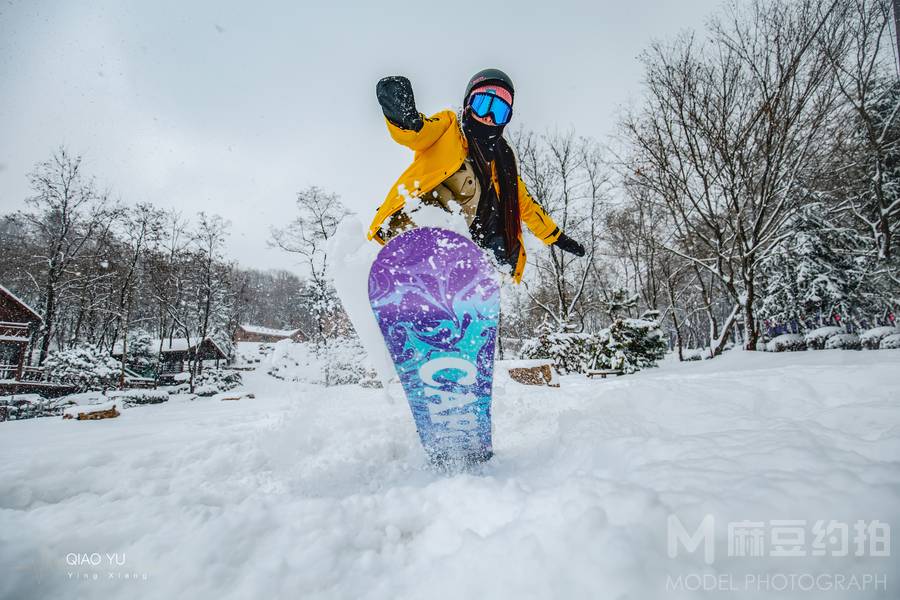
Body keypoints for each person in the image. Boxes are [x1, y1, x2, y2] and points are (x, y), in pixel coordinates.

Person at [368, 68, 585, 283]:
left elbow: (526, 205)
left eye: (499, 112)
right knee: (465, 183)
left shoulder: (502, 163)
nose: (489, 118)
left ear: (506, 119)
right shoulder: (449, 127)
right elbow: (419, 134)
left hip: (466, 240)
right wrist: (405, 118)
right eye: (483, 106)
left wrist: (556, 236)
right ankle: (424, 259)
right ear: (468, 104)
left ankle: (472, 284)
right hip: (424, 218)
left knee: (499, 232)